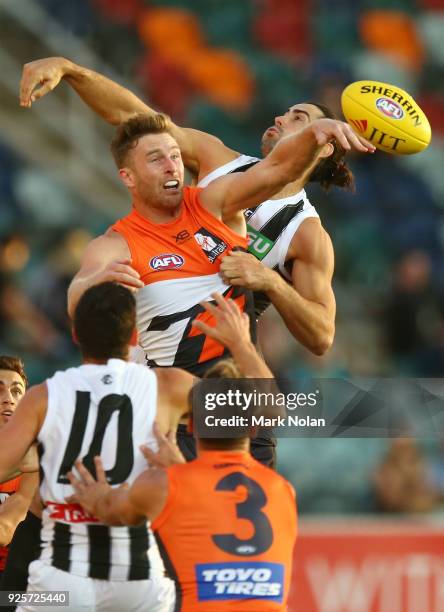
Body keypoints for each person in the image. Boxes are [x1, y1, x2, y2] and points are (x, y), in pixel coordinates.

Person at [20, 57, 375, 356]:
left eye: (298, 117)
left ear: (324, 145)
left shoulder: (305, 232)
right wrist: (71, 70)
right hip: (148, 345)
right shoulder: (217, 158)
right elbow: (134, 116)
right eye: (285, 112)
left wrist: (270, 281)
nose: (281, 118)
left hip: (218, 367)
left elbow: (322, 336)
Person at [0, 283, 274, 612]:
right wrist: (241, 344)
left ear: (75, 334)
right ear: (134, 335)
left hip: (65, 573)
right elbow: (264, 408)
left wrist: (36, 460)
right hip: (138, 574)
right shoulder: (168, 386)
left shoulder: (42, 397)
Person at [68, 301, 296, 612]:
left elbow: (110, 509)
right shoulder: (283, 491)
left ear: (192, 424)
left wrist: (97, 493)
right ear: (254, 429)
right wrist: (242, 344)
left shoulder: (164, 484)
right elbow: (223, 509)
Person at [0, 356, 37, 584]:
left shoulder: (35, 460)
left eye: (16, 391)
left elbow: (7, 527)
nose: (8, 400)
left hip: (18, 580)